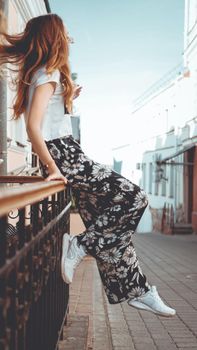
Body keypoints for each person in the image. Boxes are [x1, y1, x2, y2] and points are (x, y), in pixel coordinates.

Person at [0, 13, 176, 317]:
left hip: (65, 152)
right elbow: (33, 128)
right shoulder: (49, 74)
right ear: (54, 37)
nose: (70, 40)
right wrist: (53, 167)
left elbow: (48, 122)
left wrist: (67, 103)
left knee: (111, 228)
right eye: (66, 34)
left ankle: (137, 290)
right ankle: (80, 245)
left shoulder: (43, 74)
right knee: (135, 197)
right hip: (65, 155)